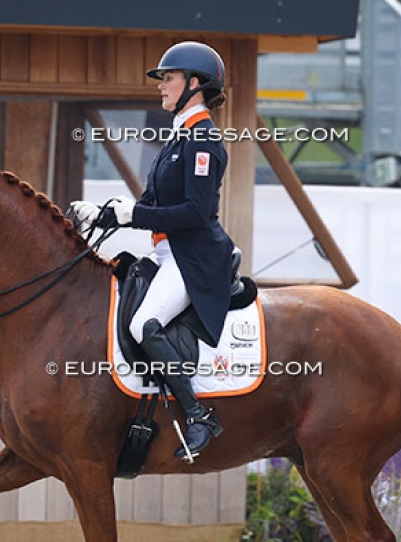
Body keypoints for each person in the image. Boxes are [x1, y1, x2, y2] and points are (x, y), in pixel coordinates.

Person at [71, 41, 234, 460]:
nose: (161, 86)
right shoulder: (177, 138)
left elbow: (196, 213)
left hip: (193, 260)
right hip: (168, 255)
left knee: (144, 324)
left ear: (194, 84)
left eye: (168, 78)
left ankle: (198, 416)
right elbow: (150, 206)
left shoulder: (203, 140)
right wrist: (105, 213)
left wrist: (134, 217)